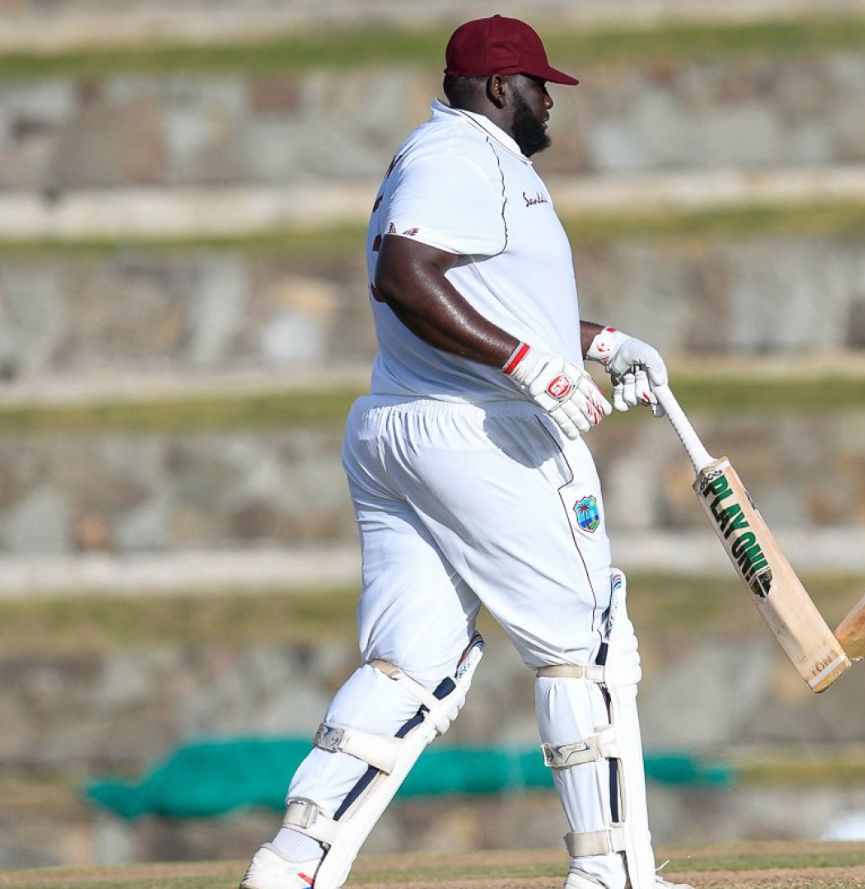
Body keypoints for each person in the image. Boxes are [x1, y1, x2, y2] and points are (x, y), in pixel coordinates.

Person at [240, 15, 693, 889]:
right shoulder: (460, 155)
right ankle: (611, 873)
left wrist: (594, 344)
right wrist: (529, 366)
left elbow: (477, 291)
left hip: (402, 427)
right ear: (496, 89)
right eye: (537, 89)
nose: (547, 106)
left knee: (413, 662)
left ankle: (291, 865)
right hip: (476, 431)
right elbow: (405, 277)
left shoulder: (457, 158)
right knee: (586, 645)